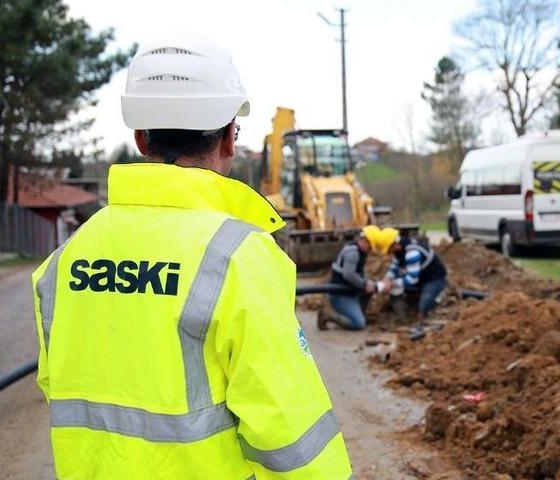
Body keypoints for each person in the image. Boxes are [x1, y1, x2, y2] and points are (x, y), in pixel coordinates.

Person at [30, 33, 352, 479]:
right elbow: (288, 427)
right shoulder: (238, 257)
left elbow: (56, 384)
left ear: (141, 139)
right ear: (227, 141)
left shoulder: (64, 260)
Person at [319, 225, 381, 331]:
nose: (370, 250)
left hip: (349, 292)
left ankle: (356, 313)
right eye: (370, 247)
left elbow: (359, 272)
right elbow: (349, 275)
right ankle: (328, 314)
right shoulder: (353, 253)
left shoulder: (358, 251)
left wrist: (368, 282)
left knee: (369, 290)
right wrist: (364, 284)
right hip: (340, 295)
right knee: (359, 324)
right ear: (365, 241)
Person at [378, 228, 448, 319]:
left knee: (424, 308)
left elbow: (412, 278)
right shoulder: (399, 250)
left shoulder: (412, 252)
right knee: (395, 287)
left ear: (395, 244)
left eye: (389, 250)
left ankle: (440, 293)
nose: (388, 253)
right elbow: (395, 267)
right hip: (420, 278)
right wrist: (387, 279)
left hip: (434, 279)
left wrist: (392, 283)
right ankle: (402, 314)